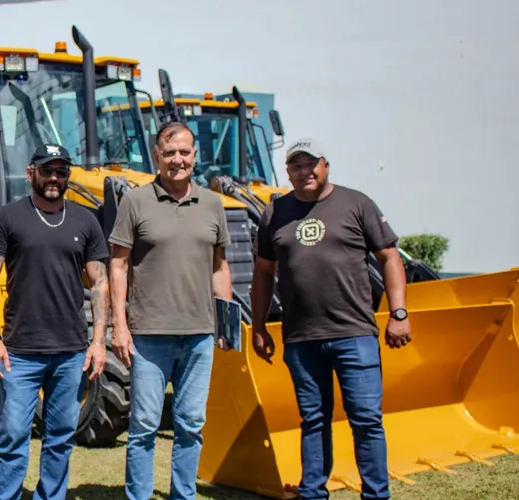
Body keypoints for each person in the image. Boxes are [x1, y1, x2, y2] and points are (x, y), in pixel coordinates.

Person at [249, 137, 411, 500]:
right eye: (296, 165)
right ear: (287, 171)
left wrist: (398, 313)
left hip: (355, 334)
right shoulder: (273, 213)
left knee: (366, 420)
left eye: (311, 164)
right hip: (301, 338)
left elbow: (390, 257)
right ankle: (313, 493)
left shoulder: (357, 204)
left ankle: (375, 494)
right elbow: (262, 272)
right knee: (313, 422)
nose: (304, 171)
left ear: (326, 165)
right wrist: (258, 326)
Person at [108, 120, 233, 500]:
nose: (177, 159)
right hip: (148, 335)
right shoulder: (135, 201)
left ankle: (183, 495)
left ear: (195, 155)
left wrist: (225, 322)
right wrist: (120, 325)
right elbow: (118, 265)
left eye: (184, 152)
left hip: (199, 335)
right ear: (157, 156)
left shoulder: (213, 203)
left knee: (191, 424)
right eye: (169, 152)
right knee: (144, 426)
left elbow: (220, 267)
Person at [0, 143, 110, 500]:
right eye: (47, 170)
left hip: (70, 352)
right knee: (12, 437)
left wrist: (99, 342)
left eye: (61, 171)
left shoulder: (85, 220)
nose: (54, 177)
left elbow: (99, 283)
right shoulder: (8, 218)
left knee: (61, 437)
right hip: (19, 351)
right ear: (31, 172)